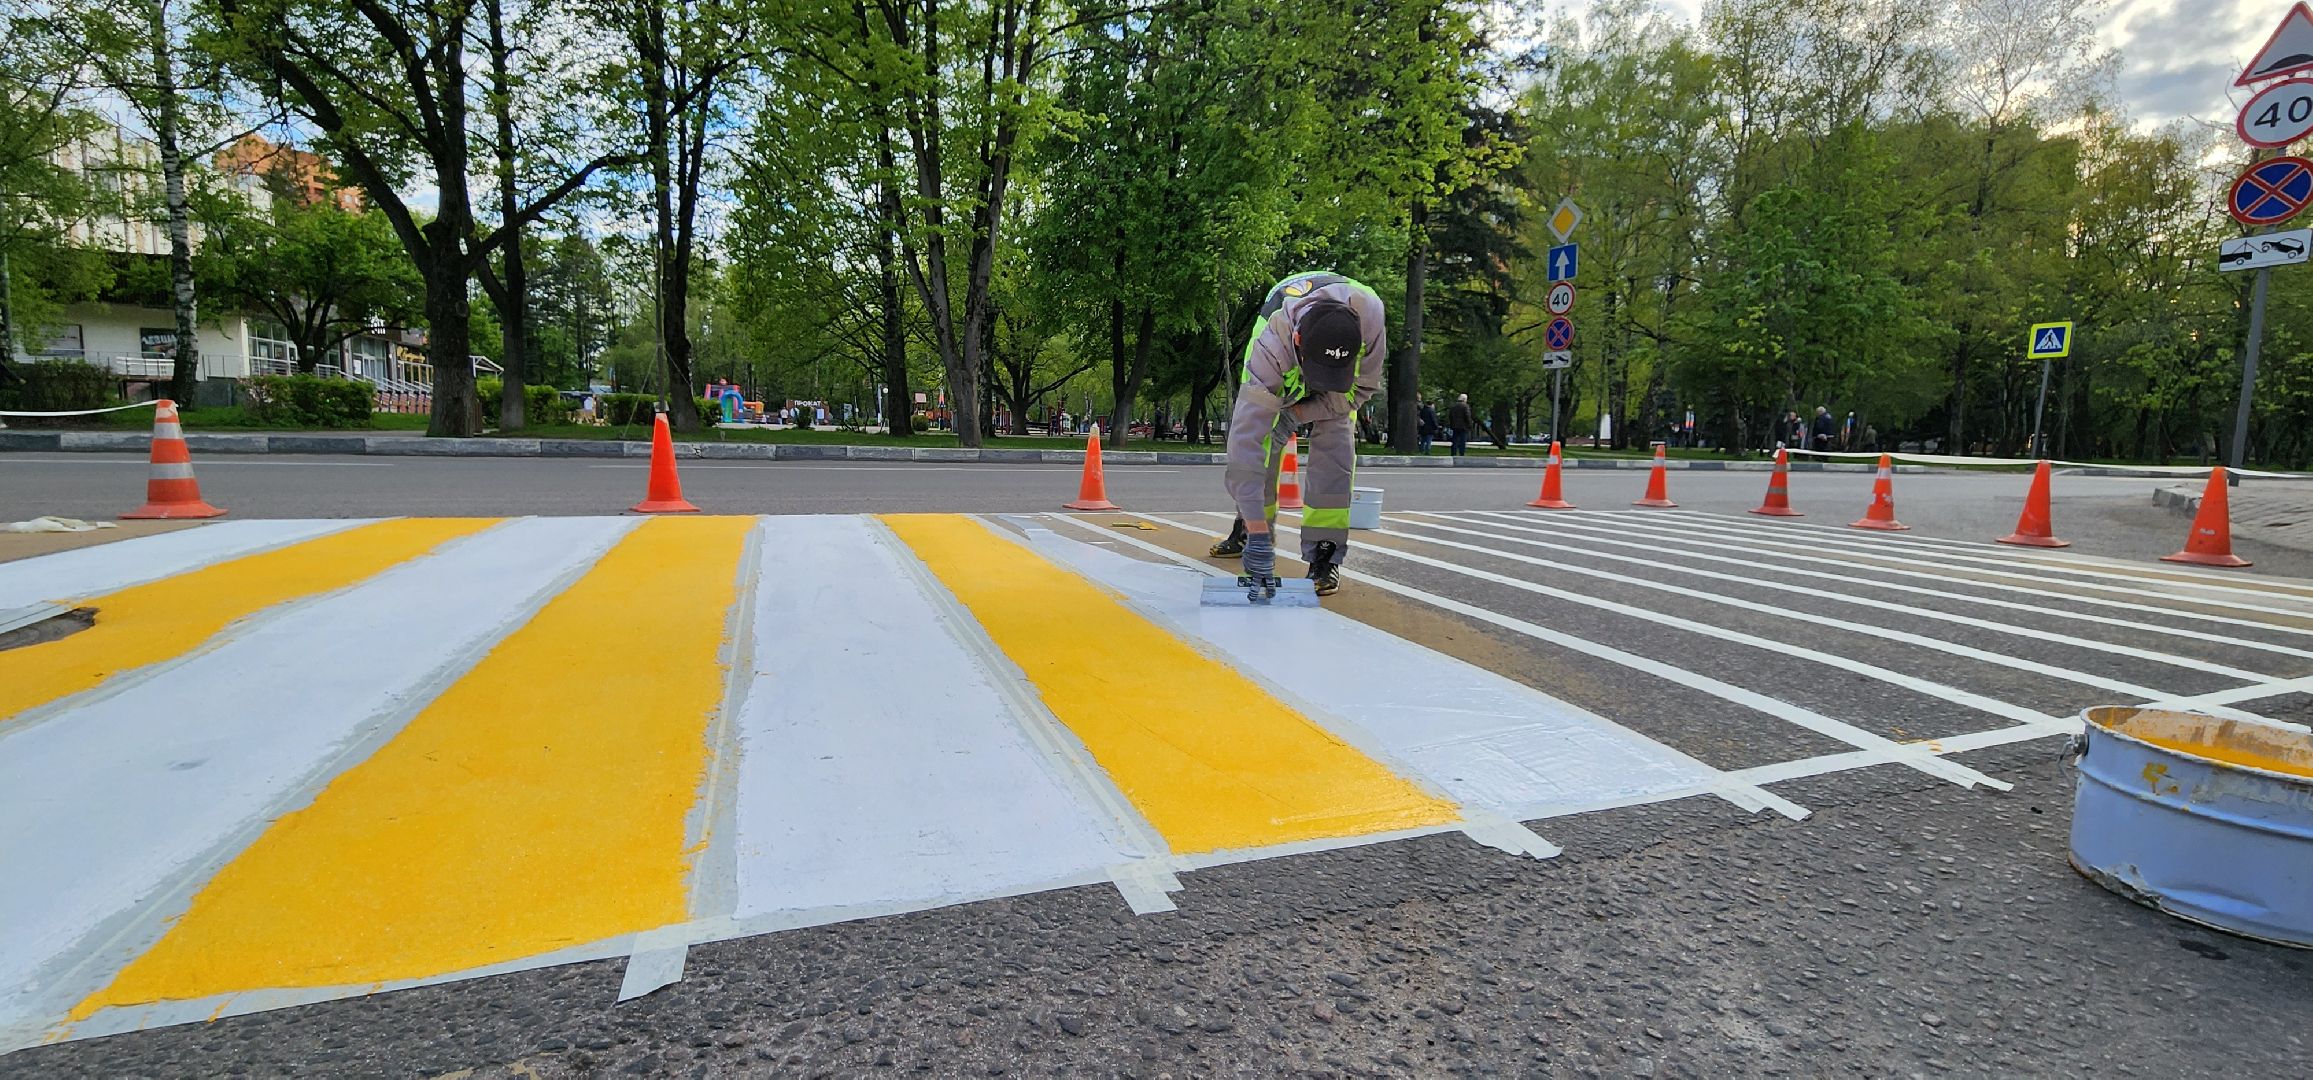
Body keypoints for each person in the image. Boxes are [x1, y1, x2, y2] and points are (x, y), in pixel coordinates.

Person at [1207, 271, 1385, 597]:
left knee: (1336, 453)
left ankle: (1324, 555)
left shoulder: (1370, 318)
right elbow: (1246, 447)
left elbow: (1362, 389)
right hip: (1282, 367)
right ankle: (1250, 529)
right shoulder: (1268, 349)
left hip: (1339, 395)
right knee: (1263, 447)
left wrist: (1300, 414)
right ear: (1299, 342)